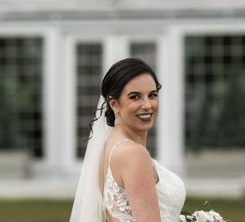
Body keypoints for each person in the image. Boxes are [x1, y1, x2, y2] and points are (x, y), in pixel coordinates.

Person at [69, 58, 186, 222]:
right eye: (135, 97)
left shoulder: (110, 147)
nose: (147, 105)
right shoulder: (133, 154)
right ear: (114, 104)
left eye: (152, 95)